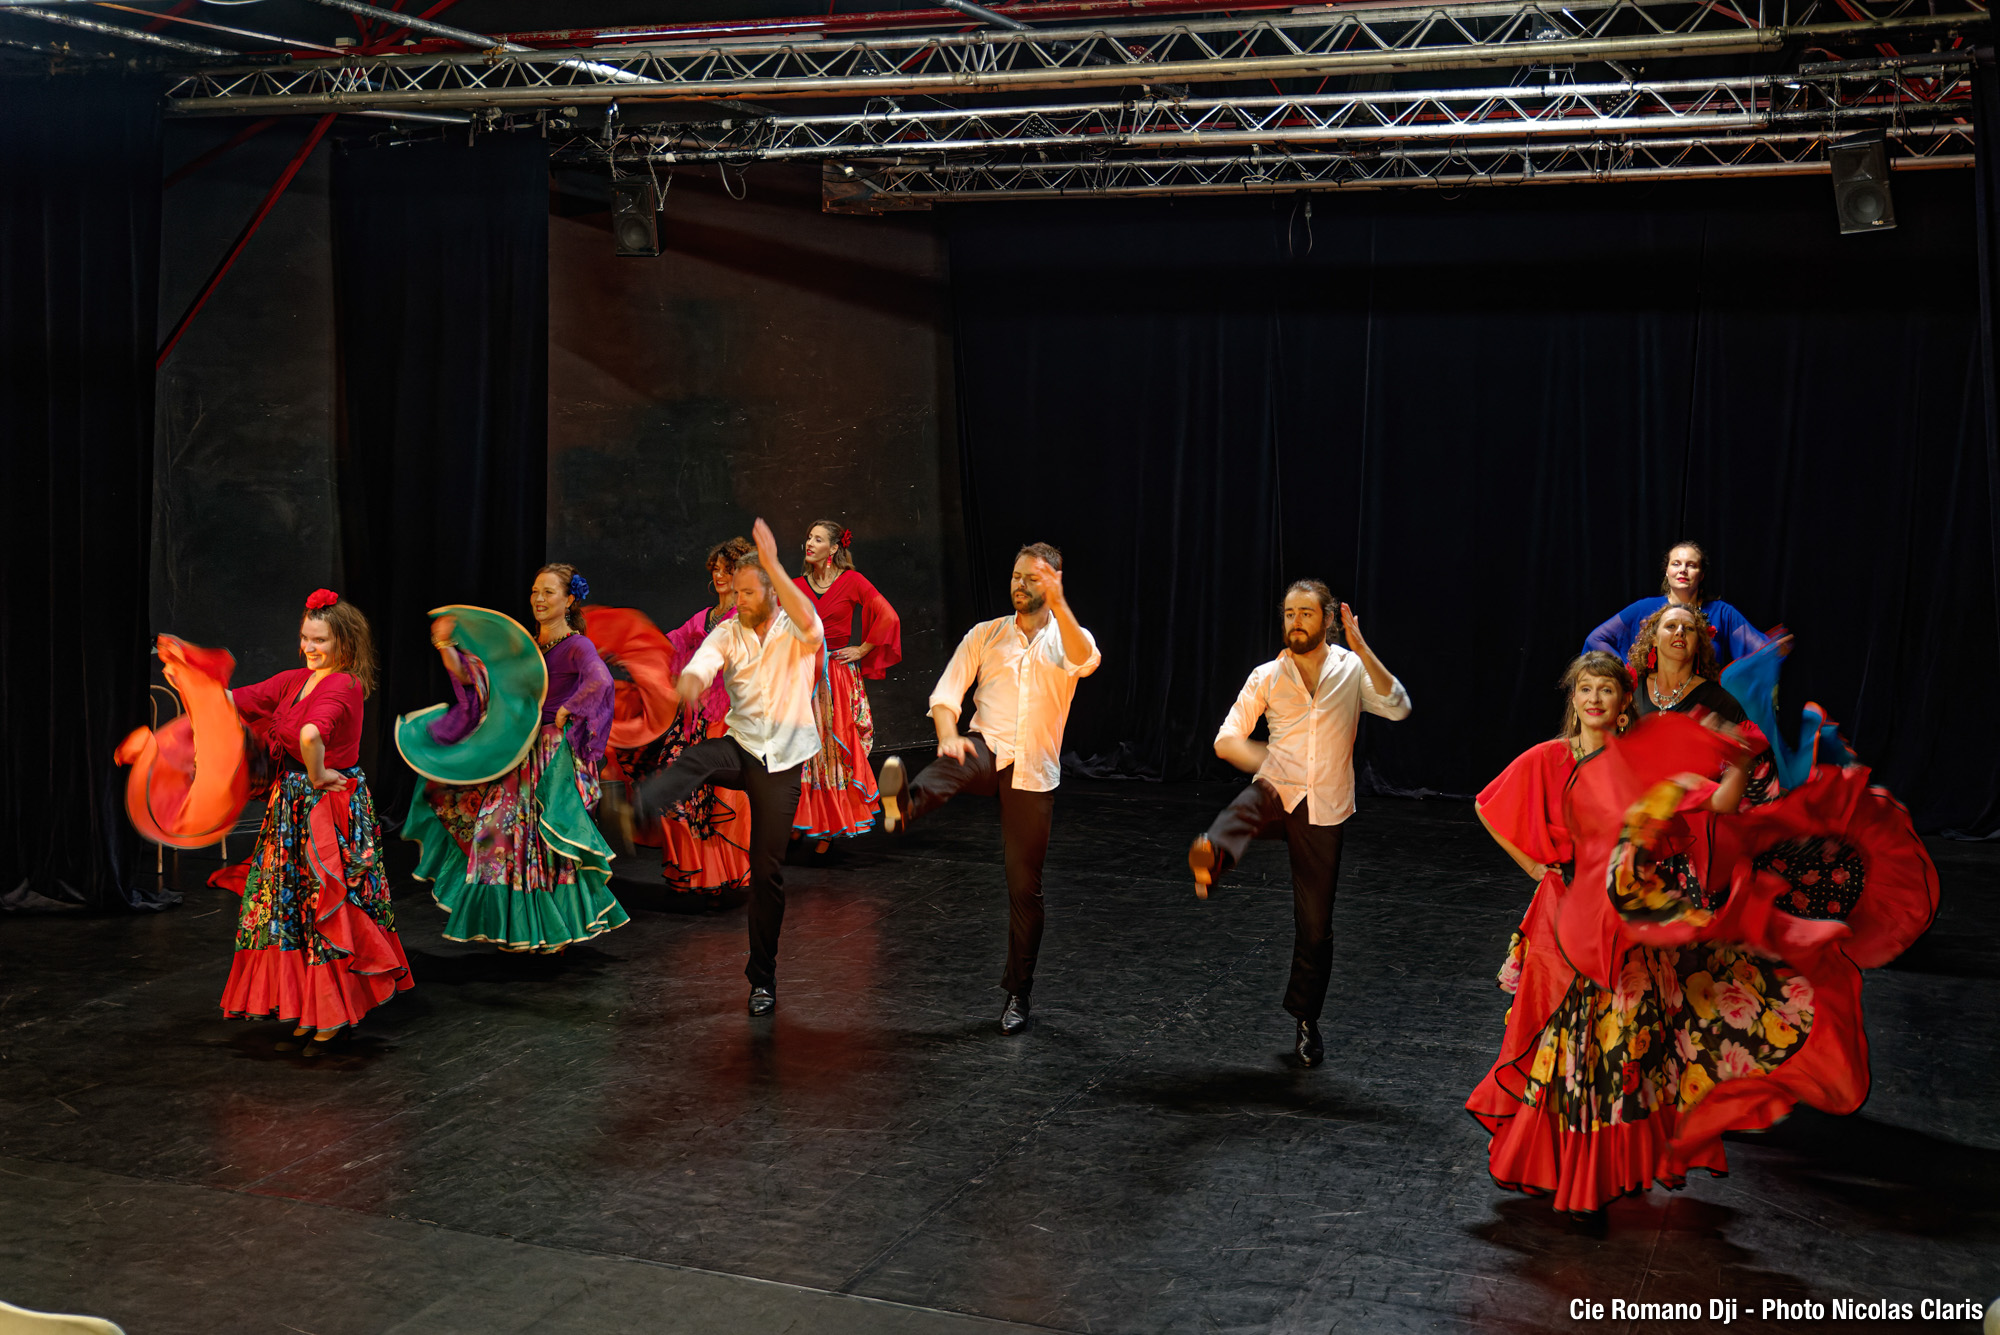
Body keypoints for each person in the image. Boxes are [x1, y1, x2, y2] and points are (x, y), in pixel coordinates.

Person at [1466, 651, 1936, 1227]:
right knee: (1571, 1047)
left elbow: (1716, 802)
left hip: (1633, 923)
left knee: (1623, 1050)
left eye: (1605, 690)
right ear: (1574, 699)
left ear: (1624, 703)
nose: (1594, 699)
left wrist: (1737, 761)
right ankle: (1569, 1169)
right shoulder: (1550, 757)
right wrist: (1536, 866)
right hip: (1566, 923)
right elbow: (1487, 806)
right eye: (1585, 689)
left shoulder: (1642, 762)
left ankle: (1596, 1179)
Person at [876, 543, 1100, 1036]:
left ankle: (1018, 992)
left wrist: (1059, 601)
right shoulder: (986, 633)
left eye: (1032, 579)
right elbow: (945, 693)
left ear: (1054, 583)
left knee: (1025, 889)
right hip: (987, 747)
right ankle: (901, 806)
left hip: (1033, 770)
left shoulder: (1068, 638)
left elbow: (1085, 659)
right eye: (1016, 576)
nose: (1020, 585)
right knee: (954, 761)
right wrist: (947, 734)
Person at [1185, 581, 1411, 1067]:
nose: (1295, 622)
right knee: (1250, 804)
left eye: (1306, 613)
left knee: (1315, 927)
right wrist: (1267, 759)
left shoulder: (1351, 671)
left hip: (1324, 807)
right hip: (1277, 791)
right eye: (1289, 613)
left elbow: (1399, 706)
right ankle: (1213, 857)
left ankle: (1306, 1020)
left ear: (1327, 619)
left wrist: (1363, 649)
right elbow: (1226, 739)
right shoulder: (1267, 675)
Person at [633, 519, 824, 1015]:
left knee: (766, 873)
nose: (738, 600)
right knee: (695, 757)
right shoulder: (727, 631)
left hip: (782, 764)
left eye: (747, 591)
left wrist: (773, 563)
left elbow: (806, 617)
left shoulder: (798, 629)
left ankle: (763, 980)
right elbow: (704, 660)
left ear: (771, 592)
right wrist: (693, 680)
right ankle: (639, 808)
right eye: (734, 591)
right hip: (741, 749)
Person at [222, 589, 411, 1051]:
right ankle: (311, 1009)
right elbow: (231, 700)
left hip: (327, 808)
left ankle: (333, 1011)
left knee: (327, 908)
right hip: (292, 809)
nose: (308, 646)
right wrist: (192, 684)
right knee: (295, 909)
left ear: (344, 642)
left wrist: (317, 773)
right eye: (306, 637)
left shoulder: (343, 685)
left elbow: (311, 734)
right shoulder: (294, 681)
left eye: (319, 640)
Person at [408, 564, 628, 952]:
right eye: (534, 591)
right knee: (500, 834)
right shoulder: (527, 644)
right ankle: (522, 926)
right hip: (517, 748)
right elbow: (480, 679)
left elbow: (600, 679)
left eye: (548, 592)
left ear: (569, 600)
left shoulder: (577, 646)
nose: (538, 599)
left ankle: (552, 927)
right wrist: (445, 645)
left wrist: (570, 707)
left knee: (537, 839)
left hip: (549, 755)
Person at [611, 537, 755, 899]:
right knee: (681, 793)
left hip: (726, 720)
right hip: (692, 720)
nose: (720, 576)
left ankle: (724, 874)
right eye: (716, 569)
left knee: (721, 799)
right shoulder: (703, 618)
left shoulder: (747, 618)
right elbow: (667, 645)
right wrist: (637, 656)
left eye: (728, 570)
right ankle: (699, 876)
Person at [793, 519, 903, 849]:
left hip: (835, 676)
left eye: (818, 539)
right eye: (808, 537)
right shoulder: (796, 586)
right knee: (804, 746)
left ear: (834, 547)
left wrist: (863, 648)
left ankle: (830, 823)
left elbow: (888, 615)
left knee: (831, 746)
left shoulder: (851, 581)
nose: (809, 543)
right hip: (803, 673)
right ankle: (801, 818)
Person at [1583, 541, 1768, 666]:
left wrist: (1774, 651)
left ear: (1701, 575)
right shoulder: (1643, 608)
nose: (1683, 570)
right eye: (1676, 564)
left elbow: (1762, 652)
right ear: (1667, 571)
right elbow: (1595, 639)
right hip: (1651, 704)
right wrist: (1626, 673)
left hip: (1702, 705)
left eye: (1691, 565)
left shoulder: (1722, 613)